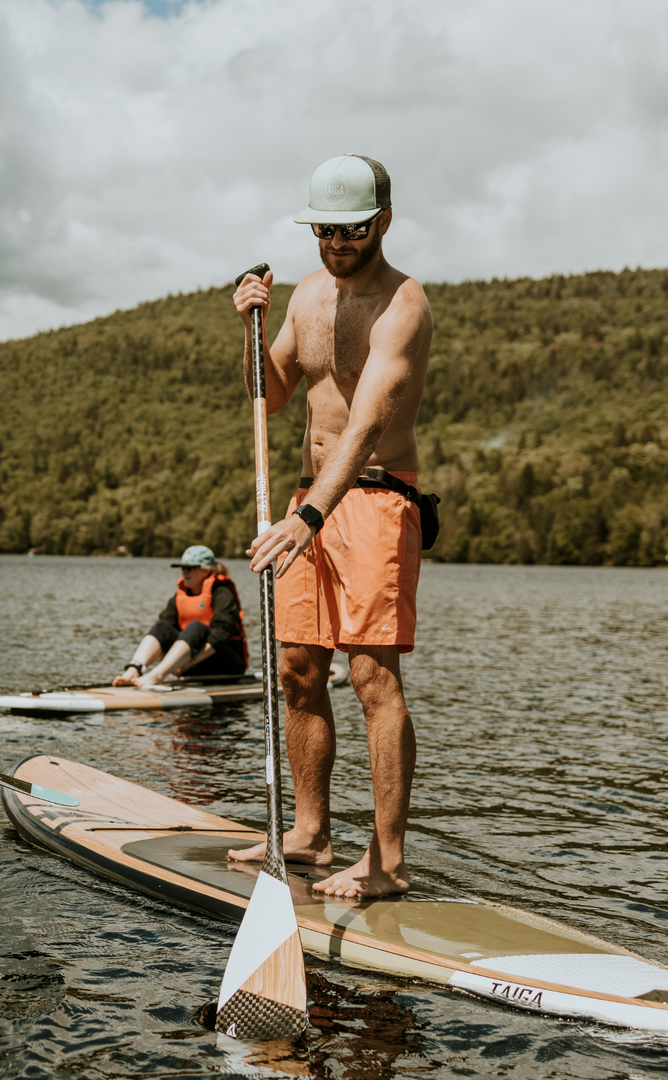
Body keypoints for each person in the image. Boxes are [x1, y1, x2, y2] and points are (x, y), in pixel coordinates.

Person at [229, 154, 433, 898]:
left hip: (374, 496)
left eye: (351, 229)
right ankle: (310, 833)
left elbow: (370, 421)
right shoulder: (308, 297)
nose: (338, 242)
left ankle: (388, 861)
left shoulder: (403, 304)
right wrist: (251, 329)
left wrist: (312, 515)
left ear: (382, 220)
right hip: (308, 503)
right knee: (297, 670)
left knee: (373, 677)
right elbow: (272, 392)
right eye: (325, 230)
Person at [113, 545, 248, 687]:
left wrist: (190, 662)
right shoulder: (179, 597)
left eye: (190, 568)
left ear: (205, 570)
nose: (184, 572)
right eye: (182, 568)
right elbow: (163, 635)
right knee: (161, 627)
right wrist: (175, 665)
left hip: (226, 667)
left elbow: (221, 634)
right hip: (190, 665)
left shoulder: (221, 593)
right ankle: (133, 670)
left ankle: (157, 675)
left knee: (196, 626)